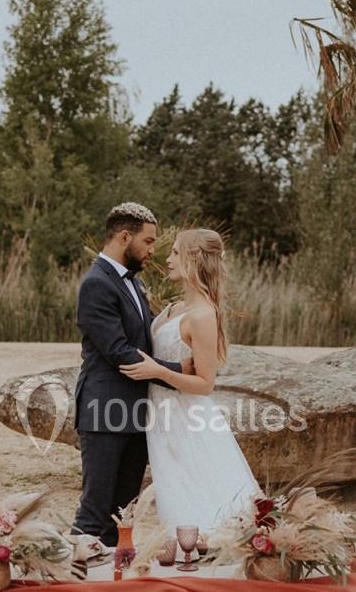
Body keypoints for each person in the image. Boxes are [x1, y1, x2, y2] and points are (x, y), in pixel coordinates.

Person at [119, 228, 260, 535]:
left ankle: (202, 545)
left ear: (194, 260)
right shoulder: (176, 308)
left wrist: (159, 371)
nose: (167, 259)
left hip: (187, 415)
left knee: (195, 485)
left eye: (175, 253)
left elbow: (206, 383)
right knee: (176, 485)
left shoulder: (202, 315)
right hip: (161, 414)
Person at [71, 202, 189, 549]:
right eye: (149, 242)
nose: (153, 251)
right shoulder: (96, 284)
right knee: (95, 511)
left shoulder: (133, 285)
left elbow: (144, 342)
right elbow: (121, 352)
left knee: (122, 514)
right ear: (125, 237)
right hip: (105, 413)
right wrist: (181, 372)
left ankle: (109, 586)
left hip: (136, 414)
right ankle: (75, 585)